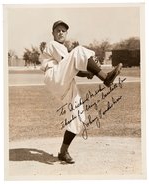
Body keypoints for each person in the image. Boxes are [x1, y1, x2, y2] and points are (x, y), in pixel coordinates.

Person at [40, 20, 122, 164]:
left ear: (66, 34)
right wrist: (92, 72)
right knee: (79, 50)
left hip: (64, 81)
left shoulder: (63, 49)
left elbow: (72, 67)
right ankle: (106, 78)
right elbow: (73, 61)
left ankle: (63, 151)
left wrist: (88, 73)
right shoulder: (53, 45)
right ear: (52, 33)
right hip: (53, 76)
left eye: (63, 31)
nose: (60, 32)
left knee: (78, 116)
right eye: (57, 30)